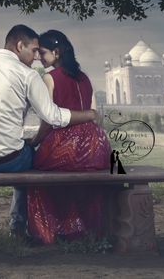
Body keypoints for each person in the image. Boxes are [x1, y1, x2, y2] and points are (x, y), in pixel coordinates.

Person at [0, 24, 98, 238]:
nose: (35, 58)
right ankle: (17, 225)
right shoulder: (27, 75)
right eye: (33, 50)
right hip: (9, 160)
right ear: (19, 45)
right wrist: (88, 115)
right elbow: (53, 117)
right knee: (31, 159)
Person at [27, 30, 113, 244]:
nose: (39, 57)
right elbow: (91, 113)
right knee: (82, 184)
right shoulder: (84, 77)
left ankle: (50, 233)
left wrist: (34, 142)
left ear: (56, 52)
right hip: (96, 144)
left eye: (43, 52)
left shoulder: (49, 78)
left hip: (66, 144)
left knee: (35, 173)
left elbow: (49, 120)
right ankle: (85, 231)